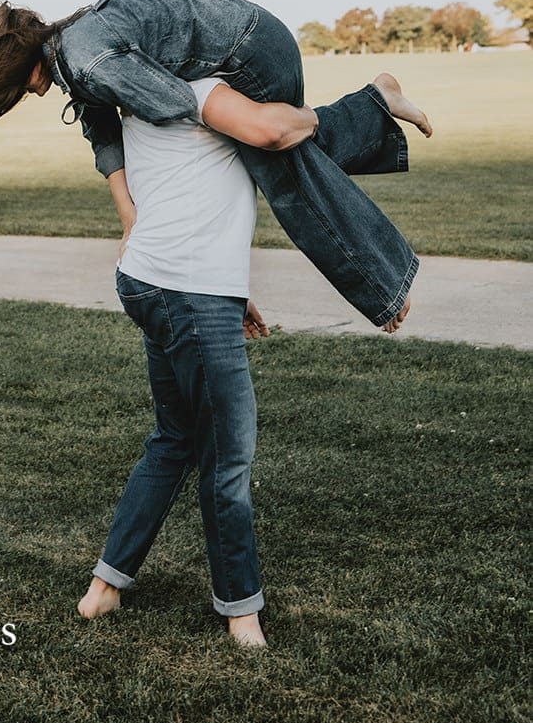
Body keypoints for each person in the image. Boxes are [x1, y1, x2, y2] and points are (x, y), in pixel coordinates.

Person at [75, 71, 431, 647]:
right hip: (189, 289)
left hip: (149, 282)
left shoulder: (141, 98)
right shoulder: (200, 92)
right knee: (228, 459)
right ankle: (242, 613)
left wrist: (229, 295)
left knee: (173, 439)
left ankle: (105, 587)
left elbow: (193, 196)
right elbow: (275, 135)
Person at [0, 0, 432, 330]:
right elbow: (101, 128)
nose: (19, 99)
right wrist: (131, 218)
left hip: (251, 48)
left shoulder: (85, 59)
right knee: (275, 144)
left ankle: (383, 284)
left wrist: (256, 125)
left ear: (20, 71)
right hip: (239, 30)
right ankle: (375, 103)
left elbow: (172, 102)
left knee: (280, 162)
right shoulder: (69, 52)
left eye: (10, 92)